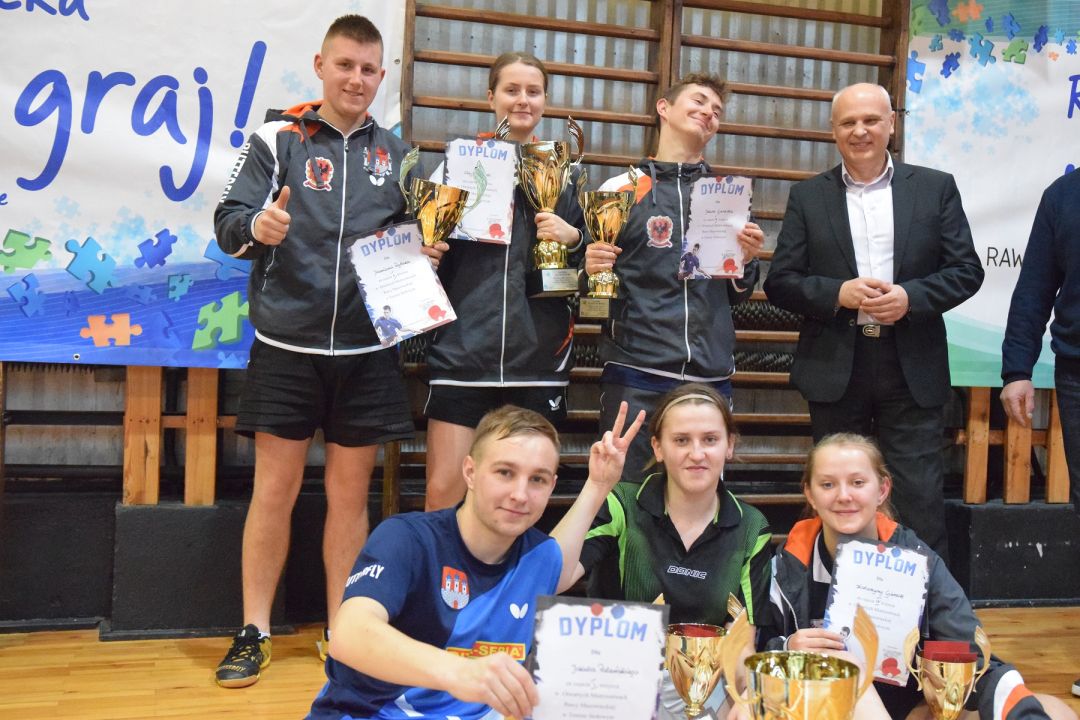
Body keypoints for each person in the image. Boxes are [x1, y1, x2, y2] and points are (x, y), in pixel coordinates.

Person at [212, 14, 447, 688]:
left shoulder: (401, 156)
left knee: (349, 497)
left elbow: (414, 238)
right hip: (286, 345)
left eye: (369, 69)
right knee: (274, 491)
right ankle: (254, 630)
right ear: (321, 66)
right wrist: (258, 226)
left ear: (382, 76)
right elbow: (227, 222)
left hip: (367, 353)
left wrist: (423, 254)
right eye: (345, 65)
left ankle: (346, 633)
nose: (356, 79)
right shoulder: (277, 138)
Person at [306, 402, 645, 720]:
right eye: (505, 472)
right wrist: (459, 671)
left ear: (552, 485)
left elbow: (560, 563)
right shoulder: (407, 539)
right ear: (470, 471)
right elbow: (349, 634)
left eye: (537, 479)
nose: (520, 494)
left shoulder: (539, 559)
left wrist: (598, 485)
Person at [763, 83, 984, 561]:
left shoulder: (934, 187)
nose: (860, 131)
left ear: (891, 124)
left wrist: (911, 297)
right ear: (833, 131)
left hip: (911, 365)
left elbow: (967, 271)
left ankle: (925, 602)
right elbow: (780, 282)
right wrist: (836, 294)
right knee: (837, 490)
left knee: (919, 495)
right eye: (848, 122)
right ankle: (834, 596)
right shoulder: (808, 196)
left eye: (870, 120)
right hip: (835, 365)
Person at [761, 434, 1076, 720]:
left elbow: (972, 655)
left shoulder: (919, 561)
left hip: (911, 709)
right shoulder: (787, 566)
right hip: (821, 708)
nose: (844, 495)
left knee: (1055, 711)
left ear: (882, 490)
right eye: (828, 485)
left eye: (857, 482)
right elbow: (753, 654)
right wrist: (787, 646)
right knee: (845, 670)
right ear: (810, 494)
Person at [423, 52, 585, 511]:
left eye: (533, 91)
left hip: (537, 360)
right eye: (512, 90)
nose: (522, 100)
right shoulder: (455, 165)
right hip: (462, 353)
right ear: (490, 96)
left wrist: (574, 238)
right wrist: (426, 252)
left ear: (545, 100)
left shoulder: (566, 174)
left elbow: (594, 266)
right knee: (444, 492)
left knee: (522, 498)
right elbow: (422, 244)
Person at [584, 74, 766, 483]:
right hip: (637, 372)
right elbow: (591, 285)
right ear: (663, 108)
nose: (709, 113)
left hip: (709, 376)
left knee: (701, 501)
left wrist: (746, 262)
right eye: (699, 101)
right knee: (625, 498)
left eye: (717, 110)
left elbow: (736, 295)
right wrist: (589, 268)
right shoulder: (622, 187)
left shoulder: (727, 195)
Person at [556, 383, 772, 720]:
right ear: (658, 447)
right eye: (681, 440)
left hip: (708, 690)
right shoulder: (622, 504)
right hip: (617, 685)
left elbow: (742, 645)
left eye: (710, 439)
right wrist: (596, 487)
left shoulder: (752, 527)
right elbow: (554, 577)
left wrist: (747, 698)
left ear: (729, 445)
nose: (697, 454)